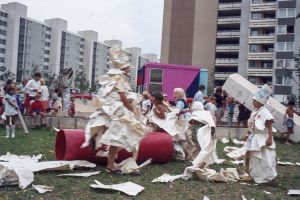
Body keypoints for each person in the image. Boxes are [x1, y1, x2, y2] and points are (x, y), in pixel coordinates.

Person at [82, 46, 147, 173]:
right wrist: (132, 110)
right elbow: (123, 97)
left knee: (116, 136)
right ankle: (110, 164)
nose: (129, 69)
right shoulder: (120, 78)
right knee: (118, 136)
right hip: (117, 111)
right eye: (128, 67)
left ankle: (102, 148)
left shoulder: (112, 76)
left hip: (109, 109)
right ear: (124, 67)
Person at [244, 84, 277, 184]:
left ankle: (267, 177)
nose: (253, 102)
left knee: (265, 158)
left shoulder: (264, 112)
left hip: (263, 138)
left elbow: (269, 124)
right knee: (254, 158)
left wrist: (270, 138)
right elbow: (253, 125)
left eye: (254, 101)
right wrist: (247, 133)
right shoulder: (255, 111)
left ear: (260, 102)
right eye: (253, 100)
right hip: (255, 138)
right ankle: (256, 176)